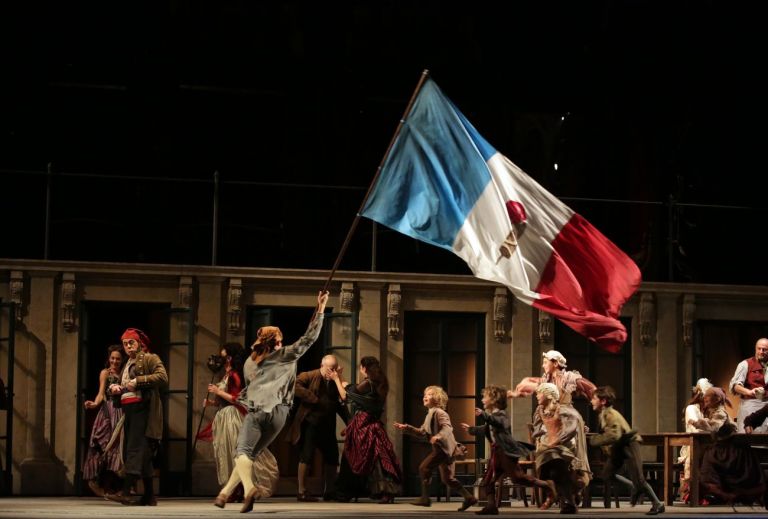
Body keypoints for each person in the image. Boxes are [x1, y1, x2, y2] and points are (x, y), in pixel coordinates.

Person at [213, 290, 329, 512]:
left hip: (257, 412)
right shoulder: (284, 355)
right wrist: (321, 307)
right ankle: (224, 493)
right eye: (280, 339)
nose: (282, 342)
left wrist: (319, 308)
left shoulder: (249, 362)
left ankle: (249, 489)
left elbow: (250, 387)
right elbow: (309, 338)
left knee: (242, 452)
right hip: (280, 414)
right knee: (250, 456)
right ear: (276, 341)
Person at [509, 350, 594, 504]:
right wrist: (517, 392)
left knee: (569, 454)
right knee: (546, 451)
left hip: (566, 418)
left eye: (545, 362)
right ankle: (557, 489)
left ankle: (573, 487)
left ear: (555, 363)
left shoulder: (570, 377)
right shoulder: (544, 380)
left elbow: (591, 389)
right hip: (550, 418)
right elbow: (528, 382)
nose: (543, 365)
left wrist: (595, 402)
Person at [197, 343, 278, 502]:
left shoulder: (235, 375)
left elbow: (237, 399)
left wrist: (218, 391)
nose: (221, 360)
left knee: (234, 453)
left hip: (233, 417)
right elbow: (225, 400)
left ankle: (238, 489)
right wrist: (212, 403)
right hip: (223, 416)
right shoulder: (226, 374)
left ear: (230, 358)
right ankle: (237, 490)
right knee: (225, 453)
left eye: (224, 356)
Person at [459, 384, 555, 515]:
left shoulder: (501, 415)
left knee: (518, 478)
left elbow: (498, 423)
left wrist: (484, 415)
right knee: (488, 480)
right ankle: (492, 506)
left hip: (505, 452)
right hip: (496, 452)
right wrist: (471, 429)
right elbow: (486, 428)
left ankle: (547, 485)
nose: (482, 400)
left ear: (494, 400)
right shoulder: (492, 416)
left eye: (485, 397)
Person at [105, 328, 167, 506]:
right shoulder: (127, 363)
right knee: (142, 453)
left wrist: (138, 381)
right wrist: (115, 388)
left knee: (134, 448)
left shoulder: (149, 358)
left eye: (131, 342)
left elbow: (162, 377)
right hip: (129, 410)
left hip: (143, 408)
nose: (128, 346)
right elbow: (125, 385)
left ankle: (125, 492)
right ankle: (149, 496)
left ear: (139, 342)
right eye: (125, 344)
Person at [394, 385, 478, 511]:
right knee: (448, 479)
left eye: (430, 394)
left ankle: (425, 498)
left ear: (438, 399)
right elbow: (422, 432)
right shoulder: (430, 413)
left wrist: (438, 436)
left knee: (424, 468)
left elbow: (447, 428)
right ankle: (469, 497)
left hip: (443, 450)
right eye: (425, 394)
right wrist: (407, 428)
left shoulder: (439, 412)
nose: (425, 396)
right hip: (442, 450)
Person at [333, 356, 402, 504]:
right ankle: (384, 491)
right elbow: (352, 389)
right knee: (377, 457)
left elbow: (346, 395)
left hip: (363, 424)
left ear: (364, 368)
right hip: (371, 422)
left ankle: (347, 492)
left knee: (353, 456)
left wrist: (335, 379)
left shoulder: (368, 383)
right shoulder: (381, 382)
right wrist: (339, 377)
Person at [588, 386, 664, 516]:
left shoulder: (609, 414)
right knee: (607, 473)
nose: (591, 401)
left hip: (628, 445)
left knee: (639, 479)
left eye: (594, 398)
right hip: (619, 447)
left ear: (603, 401)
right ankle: (633, 486)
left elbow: (614, 435)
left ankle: (657, 503)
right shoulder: (604, 414)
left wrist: (595, 440)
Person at [287, 354, 350, 502]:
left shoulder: (335, 380)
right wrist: (312, 397)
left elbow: (340, 404)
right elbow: (294, 385)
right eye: (330, 368)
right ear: (322, 366)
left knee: (332, 457)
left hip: (327, 425)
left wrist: (350, 423)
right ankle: (301, 491)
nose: (332, 372)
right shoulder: (309, 375)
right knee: (306, 455)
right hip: (310, 423)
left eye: (335, 369)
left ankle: (330, 490)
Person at [531, 383, 585, 514]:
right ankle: (567, 496)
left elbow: (572, 427)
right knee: (549, 471)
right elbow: (537, 430)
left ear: (549, 395)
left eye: (540, 393)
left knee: (556, 465)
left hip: (563, 445)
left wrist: (558, 439)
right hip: (547, 447)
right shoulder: (540, 411)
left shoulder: (562, 409)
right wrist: (543, 436)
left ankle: (569, 501)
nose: (537, 395)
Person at [82, 344, 126, 497]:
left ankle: (113, 486)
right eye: (112, 358)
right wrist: (94, 403)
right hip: (108, 411)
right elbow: (101, 393)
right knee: (103, 444)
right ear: (109, 358)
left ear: (122, 360)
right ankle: (97, 481)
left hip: (121, 412)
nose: (114, 361)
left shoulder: (125, 373)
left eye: (118, 359)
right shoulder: (105, 373)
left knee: (117, 448)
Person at [699, 421, 767, 507]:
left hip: (740, 488)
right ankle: (727, 495)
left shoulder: (740, 449)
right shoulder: (713, 451)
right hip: (726, 489)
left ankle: (731, 495)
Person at [677, 377, 713, 502]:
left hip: (708, 445)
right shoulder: (691, 409)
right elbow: (695, 430)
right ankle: (695, 492)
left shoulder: (709, 411)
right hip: (693, 444)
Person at [729, 337, 768, 432]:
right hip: (750, 406)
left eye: (765, 349)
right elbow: (735, 386)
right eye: (759, 349)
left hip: (766, 408)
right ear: (755, 349)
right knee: (748, 440)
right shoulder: (745, 364)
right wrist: (749, 392)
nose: (761, 351)